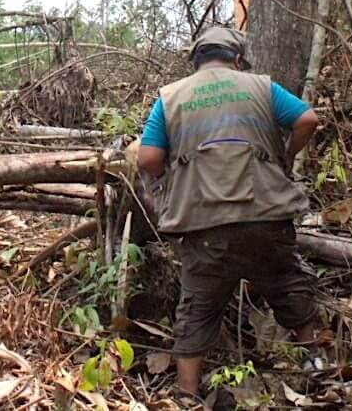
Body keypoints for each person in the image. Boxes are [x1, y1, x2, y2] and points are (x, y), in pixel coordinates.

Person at [136, 25, 321, 398]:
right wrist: (284, 158)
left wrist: (169, 181)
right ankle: (320, 368)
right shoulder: (261, 86)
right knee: (287, 283)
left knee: (198, 307)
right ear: (238, 60)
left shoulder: (171, 97)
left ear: (196, 62)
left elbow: (148, 157)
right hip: (266, 215)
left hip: (205, 225)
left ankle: (187, 394)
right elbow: (307, 120)